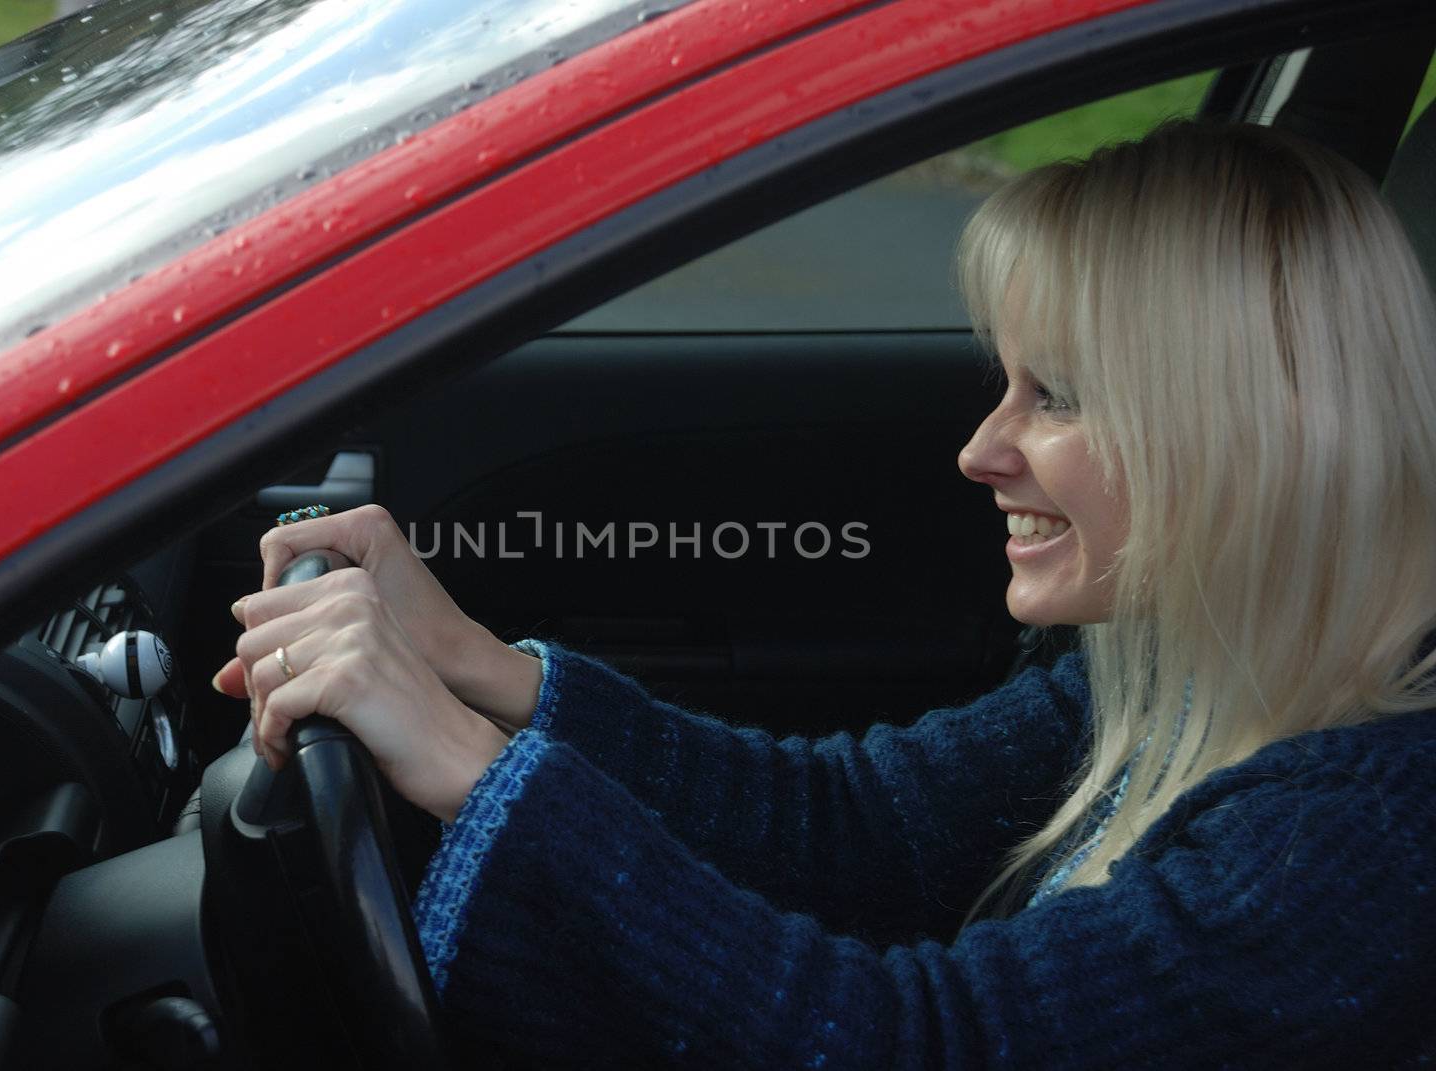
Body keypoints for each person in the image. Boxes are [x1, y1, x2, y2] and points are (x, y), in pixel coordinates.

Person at [212, 121, 1436, 1066]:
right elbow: (860, 828)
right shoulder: (1179, 666)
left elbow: (910, 1046)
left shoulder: (1362, 842)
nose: (981, 451)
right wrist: (484, 669)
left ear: (1251, 433)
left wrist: (467, 770)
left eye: (1054, 396)